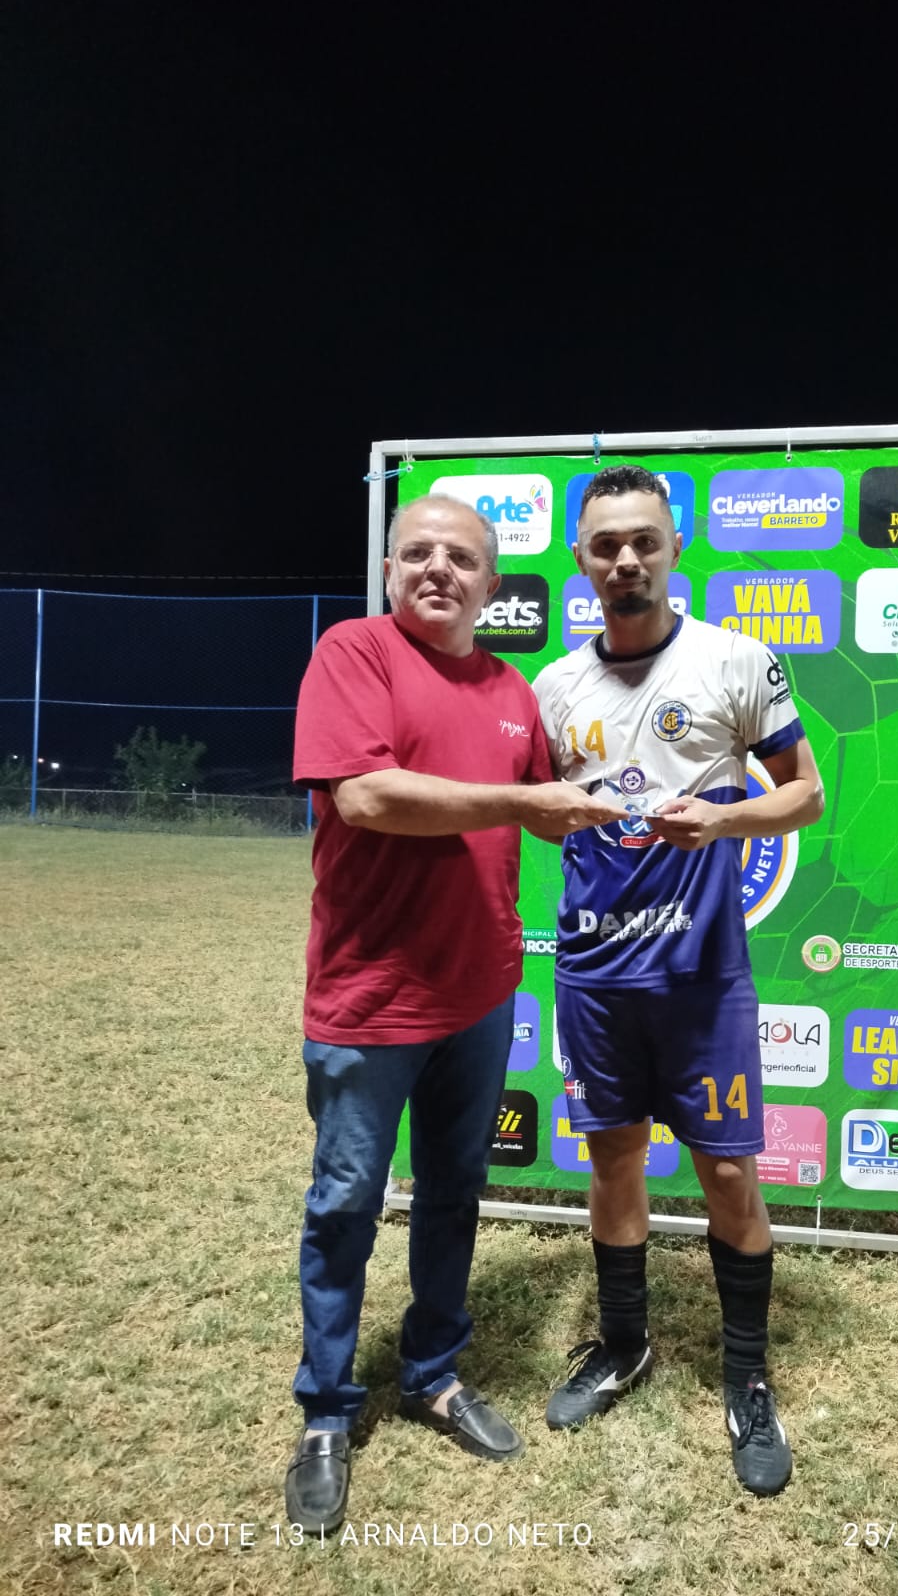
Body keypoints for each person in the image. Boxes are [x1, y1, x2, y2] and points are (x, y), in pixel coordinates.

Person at [285, 493, 626, 1535]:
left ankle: (433, 1372)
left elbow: (560, 816)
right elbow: (367, 796)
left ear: (492, 584)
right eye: (418, 552)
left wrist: (660, 797)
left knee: (453, 1192)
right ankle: (327, 1409)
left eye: (461, 558)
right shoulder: (354, 653)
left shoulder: (514, 691)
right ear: (392, 569)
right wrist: (525, 802)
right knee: (347, 1203)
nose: (438, 569)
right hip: (369, 998)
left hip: (479, 994)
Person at [532, 465, 825, 1497]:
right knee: (614, 1163)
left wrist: (726, 817)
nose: (627, 559)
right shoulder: (552, 689)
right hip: (595, 977)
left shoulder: (734, 660)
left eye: (644, 541)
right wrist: (558, 813)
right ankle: (623, 1345)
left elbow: (806, 795)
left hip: (703, 978)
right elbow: (536, 816)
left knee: (730, 1177)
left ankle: (748, 1379)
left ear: (672, 547)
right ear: (581, 558)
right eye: (607, 544)